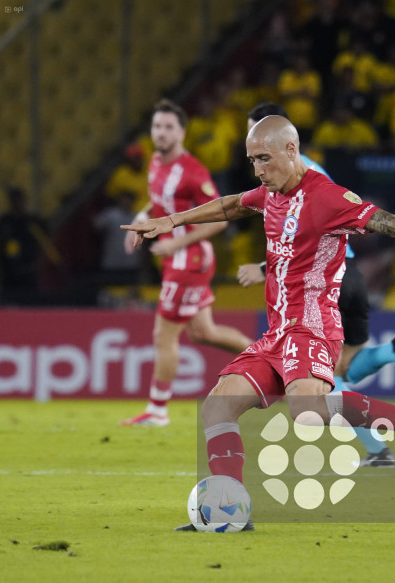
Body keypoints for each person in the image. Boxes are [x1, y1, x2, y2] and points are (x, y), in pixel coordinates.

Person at [123, 115, 395, 529]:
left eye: (264, 159)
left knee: (307, 413)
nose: (258, 170)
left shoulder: (328, 198)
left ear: (291, 151)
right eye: (252, 160)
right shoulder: (271, 191)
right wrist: (171, 221)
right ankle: (227, 510)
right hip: (278, 332)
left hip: (313, 326)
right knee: (218, 407)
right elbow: (234, 203)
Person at [237, 102, 395, 467]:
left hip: (326, 281)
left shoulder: (301, 176)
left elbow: (307, 231)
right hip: (349, 275)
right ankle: (391, 362)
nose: (257, 164)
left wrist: (266, 267)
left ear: (283, 140)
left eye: (261, 147)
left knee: (319, 384)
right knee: (341, 371)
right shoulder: (302, 169)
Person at [120, 99, 254, 427]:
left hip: (189, 260)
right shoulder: (155, 162)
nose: (161, 133)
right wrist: (141, 218)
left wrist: (177, 242)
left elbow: (220, 220)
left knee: (163, 335)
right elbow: (157, 204)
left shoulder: (193, 172)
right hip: (175, 260)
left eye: (168, 127)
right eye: (157, 127)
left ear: (181, 132)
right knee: (203, 333)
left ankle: (157, 410)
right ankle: (270, 364)